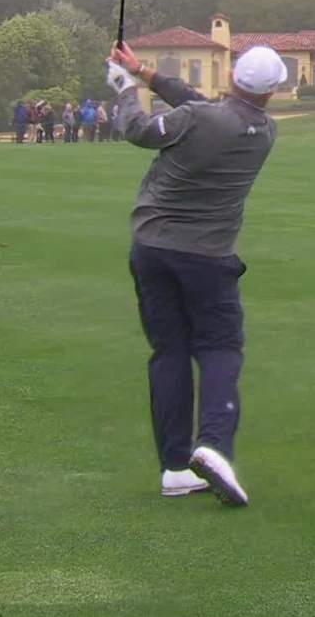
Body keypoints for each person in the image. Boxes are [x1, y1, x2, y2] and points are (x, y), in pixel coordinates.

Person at [108, 40, 282, 506]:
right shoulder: (264, 132)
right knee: (220, 348)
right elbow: (204, 109)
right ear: (273, 91)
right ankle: (214, 446)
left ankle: (174, 468)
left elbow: (138, 129)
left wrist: (125, 87)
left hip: (152, 247)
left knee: (169, 351)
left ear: (233, 77)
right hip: (209, 257)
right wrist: (143, 72)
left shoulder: (200, 118)